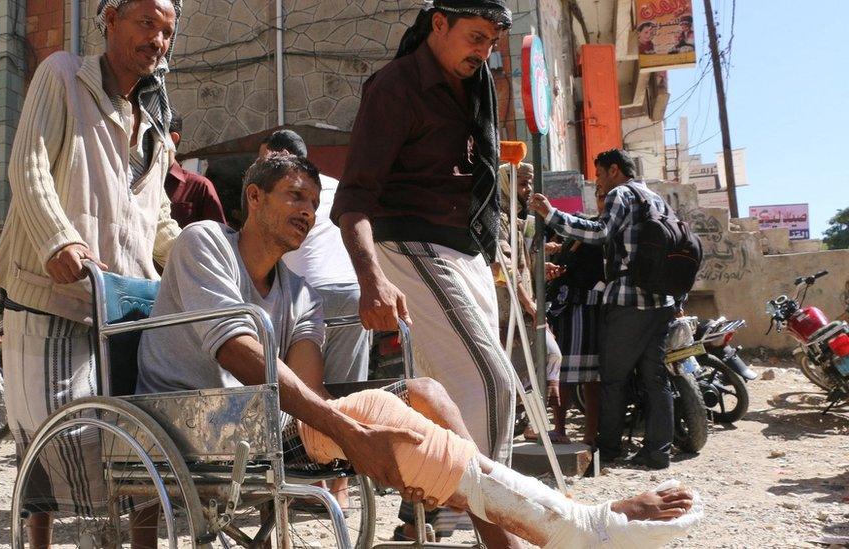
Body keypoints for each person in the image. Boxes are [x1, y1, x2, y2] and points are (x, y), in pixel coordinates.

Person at [137, 153, 701, 549]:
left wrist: (340, 425)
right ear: (253, 198)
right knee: (380, 420)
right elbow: (236, 352)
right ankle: (571, 522)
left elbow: (305, 386)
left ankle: (515, 536)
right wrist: (353, 430)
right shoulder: (203, 241)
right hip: (190, 418)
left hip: (256, 425)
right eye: (293, 198)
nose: (307, 214)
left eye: (314, 203)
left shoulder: (298, 290)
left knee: (427, 392)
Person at [0, 0, 182, 544]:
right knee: (51, 435)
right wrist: (58, 238)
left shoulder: (155, 121)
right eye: (147, 23)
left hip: (123, 298)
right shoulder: (64, 76)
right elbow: (28, 164)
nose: (157, 40)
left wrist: (196, 256)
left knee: (141, 438)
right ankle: (39, 539)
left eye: (167, 32)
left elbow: (155, 218)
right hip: (52, 290)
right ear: (111, 18)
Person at [330, 1, 518, 539]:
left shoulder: (474, 83)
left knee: (446, 397)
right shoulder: (395, 87)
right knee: (492, 383)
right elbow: (354, 198)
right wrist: (371, 277)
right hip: (410, 241)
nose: (483, 52)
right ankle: (496, 523)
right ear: (439, 24)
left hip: (467, 248)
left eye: (491, 42)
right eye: (475, 37)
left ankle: (421, 520)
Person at [529, 149, 679, 470]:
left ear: (613, 170)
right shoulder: (656, 198)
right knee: (656, 378)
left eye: (598, 174)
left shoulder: (620, 194)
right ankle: (658, 452)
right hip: (662, 301)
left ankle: (608, 449)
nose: (597, 181)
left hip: (629, 301)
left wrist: (553, 215)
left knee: (612, 377)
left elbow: (600, 232)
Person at [261, 129, 370, 385]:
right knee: (349, 391)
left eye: (264, 158)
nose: (261, 165)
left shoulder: (278, 195)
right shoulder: (335, 186)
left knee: (303, 395)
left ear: (281, 155)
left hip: (307, 295)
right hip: (353, 292)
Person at [493, 162, 564, 441]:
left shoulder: (518, 219)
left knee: (543, 358)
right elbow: (504, 269)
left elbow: (523, 262)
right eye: (522, 183)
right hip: (509, 311)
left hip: (523, 307)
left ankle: (534, 423)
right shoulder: (497, 218)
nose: (528, 189)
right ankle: (529, 425)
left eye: (529, 183)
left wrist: (541, 266)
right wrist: (529, 305)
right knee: (527, 364)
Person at [546, 190, 608, 447]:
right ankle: (579, 432)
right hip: (579, 313)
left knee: (576, 378)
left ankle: (569, 431)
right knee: (580, 379)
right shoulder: (572, 247)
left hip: (580, 313)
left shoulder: (592, 243)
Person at [164, 110, 227, 227]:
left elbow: (217, 240)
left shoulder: (200, 187)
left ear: (172, 139)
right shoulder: (133, 184)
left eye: (149, 134)